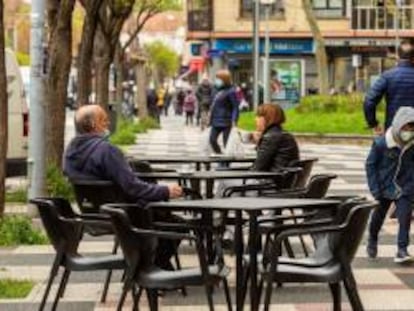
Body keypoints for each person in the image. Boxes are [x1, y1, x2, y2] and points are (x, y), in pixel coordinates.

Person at [63, 104, 183, 270]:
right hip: (125, 215)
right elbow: (133, 187)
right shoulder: (107, 151)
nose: (107, 124)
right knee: (177, 225)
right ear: (92, 125)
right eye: (104, 120)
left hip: (94, 215)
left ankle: (149, 268)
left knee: (165, 220)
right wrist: (165, 190)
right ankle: (150, 270)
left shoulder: (70, 152)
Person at [366, 106, 414, 263]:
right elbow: (370, 165)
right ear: (398, 125)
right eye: (406, 126)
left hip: (404, 188)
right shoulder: (381, 144)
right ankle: (372, 239)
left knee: (405, 217)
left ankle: (402, 250)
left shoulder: (412, 144)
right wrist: (375, 189)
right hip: (384, 187)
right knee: (378, 217)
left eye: (412, 127)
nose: (408, 130)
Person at [364, 38, 414, 135]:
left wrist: (373, 124)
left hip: (394, 131)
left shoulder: (387, 76)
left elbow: (369, 102)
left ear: (398, 56)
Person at [209, 69, 240, 154]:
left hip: (227, 121)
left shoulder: (231, 91)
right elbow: (212, 104)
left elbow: (235, 107)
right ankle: (220, 156)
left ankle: (225, 163)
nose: (216, 80)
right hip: (215, 120)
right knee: (212, 140)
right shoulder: (215, 90)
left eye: (218, 79)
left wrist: (234, 120)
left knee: (227, 144)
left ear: (225, 80)